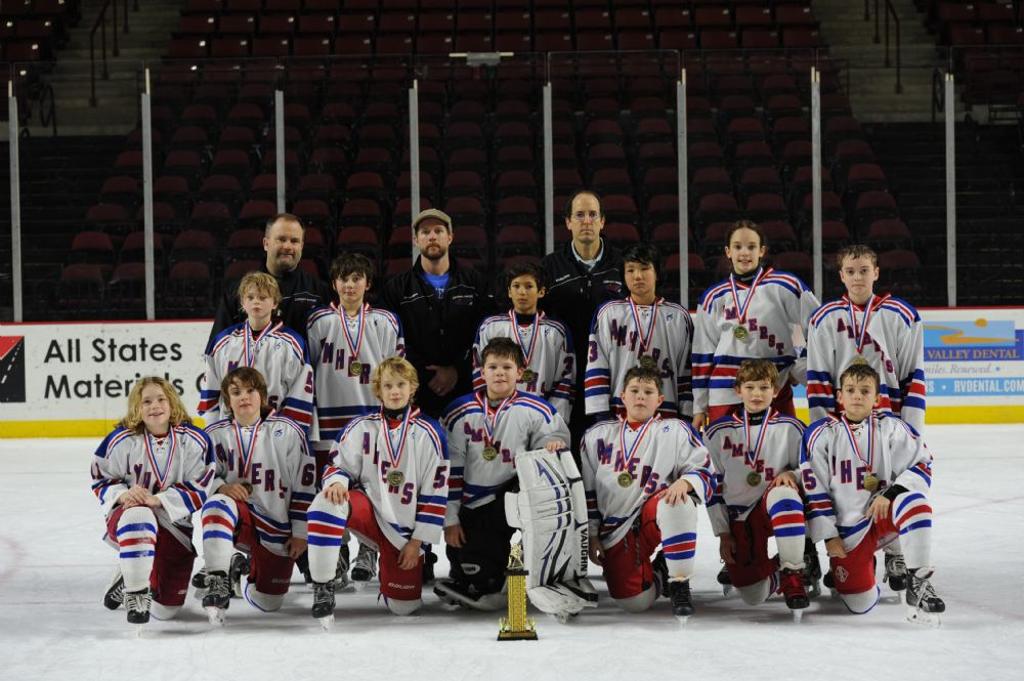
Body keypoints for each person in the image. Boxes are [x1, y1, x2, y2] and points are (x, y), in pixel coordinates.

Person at [305, 357, 449, 623]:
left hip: (404, 534)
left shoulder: (430, 432)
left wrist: (417, 543)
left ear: (412, 387)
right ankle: (323, 585)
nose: (394, 391)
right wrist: (337, 482)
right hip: (369, 513)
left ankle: (389, 567)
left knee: (404, 607)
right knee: (325, 502)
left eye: (401, 385)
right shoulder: (361, 427)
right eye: (388, 386)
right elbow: (337, 466)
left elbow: (436, 494)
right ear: (378, 390)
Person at [800, 363, 944, 622]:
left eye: (865, 391)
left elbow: (922, 464)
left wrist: (891, 493)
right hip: (849, 531)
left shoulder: (892, 428)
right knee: (860, 604)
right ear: (839, 396)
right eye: (851, 390)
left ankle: (918, 580)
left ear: (877, 398)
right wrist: (829, 536)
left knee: (915, 502)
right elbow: (814, 490)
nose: (857, 396)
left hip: (882, 515)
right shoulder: (821, 434)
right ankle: (854, 568)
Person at [435, 338, 570, 610]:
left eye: (507, 367)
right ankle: (471, 575)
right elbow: (449, 471)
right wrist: (450, 520)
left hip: (511, 496)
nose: (500, 373)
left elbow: (554, 441)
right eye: (493, 367)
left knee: (539, 490)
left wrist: (553, 444)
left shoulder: (537, 409)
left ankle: (545, 572)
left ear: (520, 372)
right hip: (471, 503)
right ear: (481, 371)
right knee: (473, 569)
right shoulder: (458, 412)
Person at [581, 366, 714, 618]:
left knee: (678, 501)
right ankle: (661, 572)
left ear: (660, 400)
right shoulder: (595, 436)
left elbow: (704, 468)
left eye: (648, 392)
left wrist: (686, 482)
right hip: (615, 529)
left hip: (652, 514)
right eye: (634, 391)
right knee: (634, 602)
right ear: (622, 396)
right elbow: (588, 492)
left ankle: (679, 581)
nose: (640, 396)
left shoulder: (675, 430)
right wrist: (592, 534)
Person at [307, 252, 406, 583]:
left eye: (356, 279)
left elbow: (397, 371)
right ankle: (337, 552)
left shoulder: (385, 321)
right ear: (334, 284)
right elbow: (308, 371)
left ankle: (368, 548)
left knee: (372, 486)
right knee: (331, 488)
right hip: (329, 421)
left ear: (368, 283)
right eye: (344, 279)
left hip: (371, 419)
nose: (350, 285)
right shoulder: (318, 321)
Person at [91, 377, 214, 625]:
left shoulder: (193, 440)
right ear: (137, 408)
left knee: (166, 611)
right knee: (140, 513)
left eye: (160, 399)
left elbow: (200, 486)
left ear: (172, 403)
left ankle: (128, 573)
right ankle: (136, 591)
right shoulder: (122, 440)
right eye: (146, 401)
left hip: (174, 527)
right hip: (129, 519)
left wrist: (158, 499)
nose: (154, 406)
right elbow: (101, 477)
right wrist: (123, 494)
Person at [199, 367, 316, 624]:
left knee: (268, 603)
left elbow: (305, 485)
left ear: (262, 396)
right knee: (218, 503)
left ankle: (239, 566)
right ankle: (218, 576)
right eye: (236, 392)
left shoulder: (288, 431)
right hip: (238, 518)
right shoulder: (214, 435)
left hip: (276, 528)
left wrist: (300, 532)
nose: (244, 397)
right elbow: (197, 477)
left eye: (250, 390)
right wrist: (220, 486)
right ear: (227, 401)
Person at [703, 359, 811, 614]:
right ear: (738, 390)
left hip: (773, 508)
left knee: (784, 493)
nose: (757, 394)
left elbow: (811, 470)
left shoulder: (792, 427)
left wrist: (793, 475)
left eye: (764, 387)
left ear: (776, 391)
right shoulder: (717, 431)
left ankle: (793, 572)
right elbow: (712, 487)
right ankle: (777, 571)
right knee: (752, 595)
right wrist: (724, 533)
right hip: (740, 517)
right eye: (750, 387)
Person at [692, 220, 821, 430]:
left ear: (762, 251)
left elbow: (820, 325)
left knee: (784, 445)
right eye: (738, 247)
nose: (744, 253)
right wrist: (699, 406)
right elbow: (702, 354)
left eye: (751, 247)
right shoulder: (713, 297)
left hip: (773, 386)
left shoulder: (785, 285)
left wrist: (803, 363)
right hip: (726, 389)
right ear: (728, 252)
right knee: (725, 448)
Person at [380, 209, 491, 419]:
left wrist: (457, 370)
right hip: (416, 392)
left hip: (467, 389)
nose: (432, 236)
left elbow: (485, 333)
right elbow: (391, 339)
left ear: (450, 237)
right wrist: (426, 374)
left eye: (438, 231)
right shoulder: (396, 288)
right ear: (415, 240)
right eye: (425, 232)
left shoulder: (475, 283)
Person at [806, 244, 926, 433]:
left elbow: (912, 377)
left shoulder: (902, 315)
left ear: (876, 273)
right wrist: (822, 432)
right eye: (850, 271)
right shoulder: (823, 318)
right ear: (841, 276)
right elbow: (818, 380)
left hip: (889, 423)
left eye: (864, 271)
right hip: (842, 426)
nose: (857, 277)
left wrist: (912, 433)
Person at [540, 190, 624, 446]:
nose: (586, 221)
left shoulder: (622, 265)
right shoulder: (549, 267)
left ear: (602, 221)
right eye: (579, 215)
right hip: (566, 375)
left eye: (592, 214)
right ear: (568, 222)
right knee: (567, 442)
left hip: (612, 373)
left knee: (608, 445)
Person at [585, 242, 693, 420]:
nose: (637, 276)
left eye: (644, 268)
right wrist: (601, 413)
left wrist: (687, 413)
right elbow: (597, 365)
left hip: (667, 416)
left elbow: (686, 371)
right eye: (630, 270)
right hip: (619, 415)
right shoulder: (608, 313)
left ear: (657, 273)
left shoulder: (678, 317)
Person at [199, 272, 314, 429]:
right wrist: (212, 430)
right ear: (242, 302)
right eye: (250, 297)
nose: (256, 302)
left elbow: (300, 393)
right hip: (230, 430)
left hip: (274, 429)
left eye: (262, 297)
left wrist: (290, 431)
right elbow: (211, 390)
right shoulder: (223, 342)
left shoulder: (292, 344)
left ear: (275, 303)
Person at [472, 260, 575, 422]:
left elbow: (565, 380)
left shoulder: (556, 331)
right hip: (499, 415)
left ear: (541, 292)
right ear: (509, 291)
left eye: (529, 286)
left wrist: (553, 420)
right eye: (516, 286)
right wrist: (489, 413)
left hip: (544, 415)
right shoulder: (490, 327)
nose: (522, 292)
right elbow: (480, 373)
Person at [211, 212, 331, 343]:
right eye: (281, 239)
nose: (287, 246)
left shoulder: (319, 293)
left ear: (301, 246)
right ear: (266, 243)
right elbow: (217, 347)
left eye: (294, 241)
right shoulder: (238, 292)